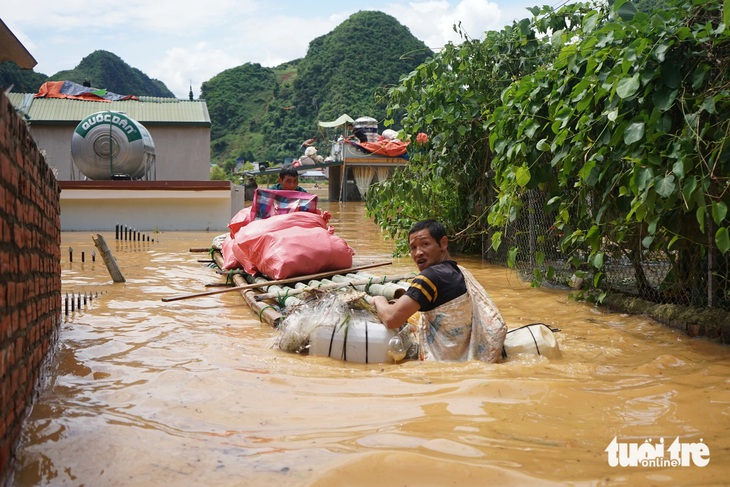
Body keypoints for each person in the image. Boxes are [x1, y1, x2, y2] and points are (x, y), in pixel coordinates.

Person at [372, 219, 506, 362]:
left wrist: (379, 300)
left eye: (425, 244)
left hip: (443, 365)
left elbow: (391, 319)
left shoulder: (429, 278)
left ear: (443, 243)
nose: (418, 253)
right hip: (466, 359)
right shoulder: (457, 271)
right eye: (413, 247)